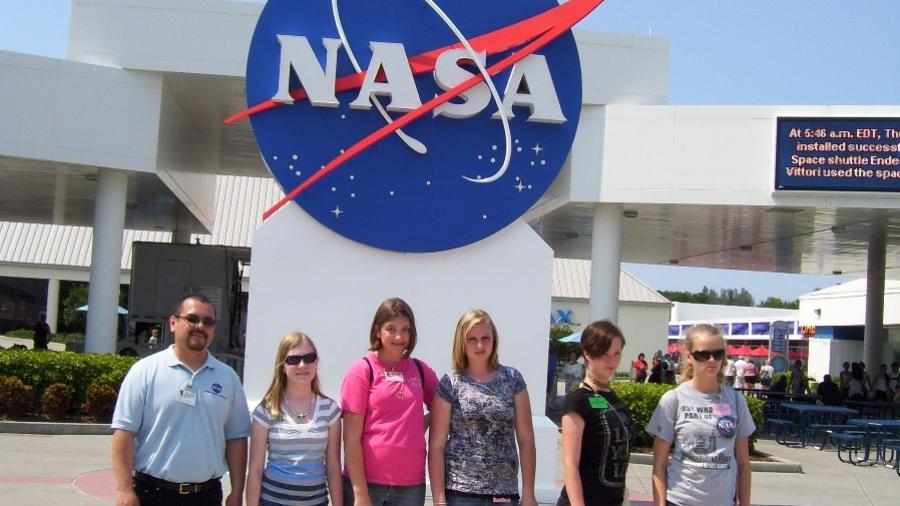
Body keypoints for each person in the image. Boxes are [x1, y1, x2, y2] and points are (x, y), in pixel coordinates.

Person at [111, 293, 251, 506]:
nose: (200, 326)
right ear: (173, 323)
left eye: (208, 321)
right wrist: (123, 491)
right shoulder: (145, 371)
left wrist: (237, 491)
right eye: (192, 319)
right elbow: (124, 433)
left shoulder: (228, 378)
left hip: (206, 496)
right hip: (152, 494)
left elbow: (236, 439)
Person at [429, 309, 537, 506]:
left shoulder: (513, 380)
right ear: (461, 342)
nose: (480, 345)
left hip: (504, 494)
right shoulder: (449, 384)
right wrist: (438, 499)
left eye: (485, 338)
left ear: (494, 340)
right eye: (472, 339)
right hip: (460, 494)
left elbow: (526, 440)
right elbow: (436, 446)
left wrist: (529, 493)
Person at [341, 297, 439, 506]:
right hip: (367, 484)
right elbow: (350, 438)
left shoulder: (421, 370)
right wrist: (360, 493)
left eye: (406, 329)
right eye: (391, 329)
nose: (399, 336)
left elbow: (444, 410)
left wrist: (415, 427)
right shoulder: (362, 371)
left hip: (411, 486)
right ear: (377, 331)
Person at [646, 324, 754, 506]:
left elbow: (743, 463)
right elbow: (659, 465)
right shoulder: (673, 399)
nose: (712, 360)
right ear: (690, 357)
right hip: (679, 499)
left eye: (718, 354)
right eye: (703, 355)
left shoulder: (736, 401)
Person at [246, 332, 342, 506]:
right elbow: (255, 468)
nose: (302, 365)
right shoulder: (266, 410)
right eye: (293, 360)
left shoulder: (331, 410)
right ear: (282, 366)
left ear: (316, 362)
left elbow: (334, 467)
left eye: (308, 358)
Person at [558, 320, 634, 506]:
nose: (612, 361)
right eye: (604, 354)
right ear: (588, 354)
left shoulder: (612, 398)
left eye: (616, 353)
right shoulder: (579, 401)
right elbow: (570, 464)